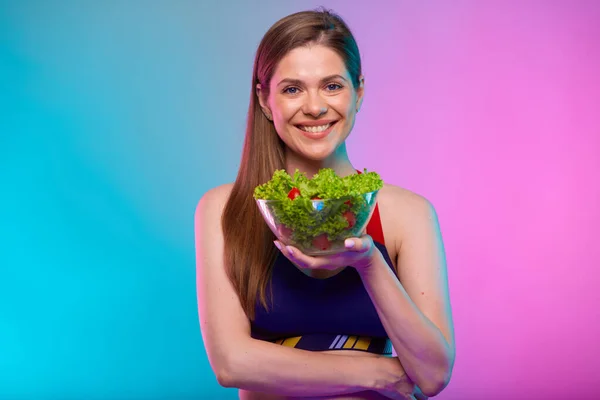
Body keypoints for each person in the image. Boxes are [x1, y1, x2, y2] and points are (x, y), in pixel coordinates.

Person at [195, 8, 455, 400]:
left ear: (359, 92)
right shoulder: (224, 209)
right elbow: (231, 363)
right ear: (265, 100)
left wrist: (368, 262)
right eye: (293, 89)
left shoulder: (407, 214)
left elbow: (433, 374)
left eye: (332, 86)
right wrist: (377, 372)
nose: (315, 107)